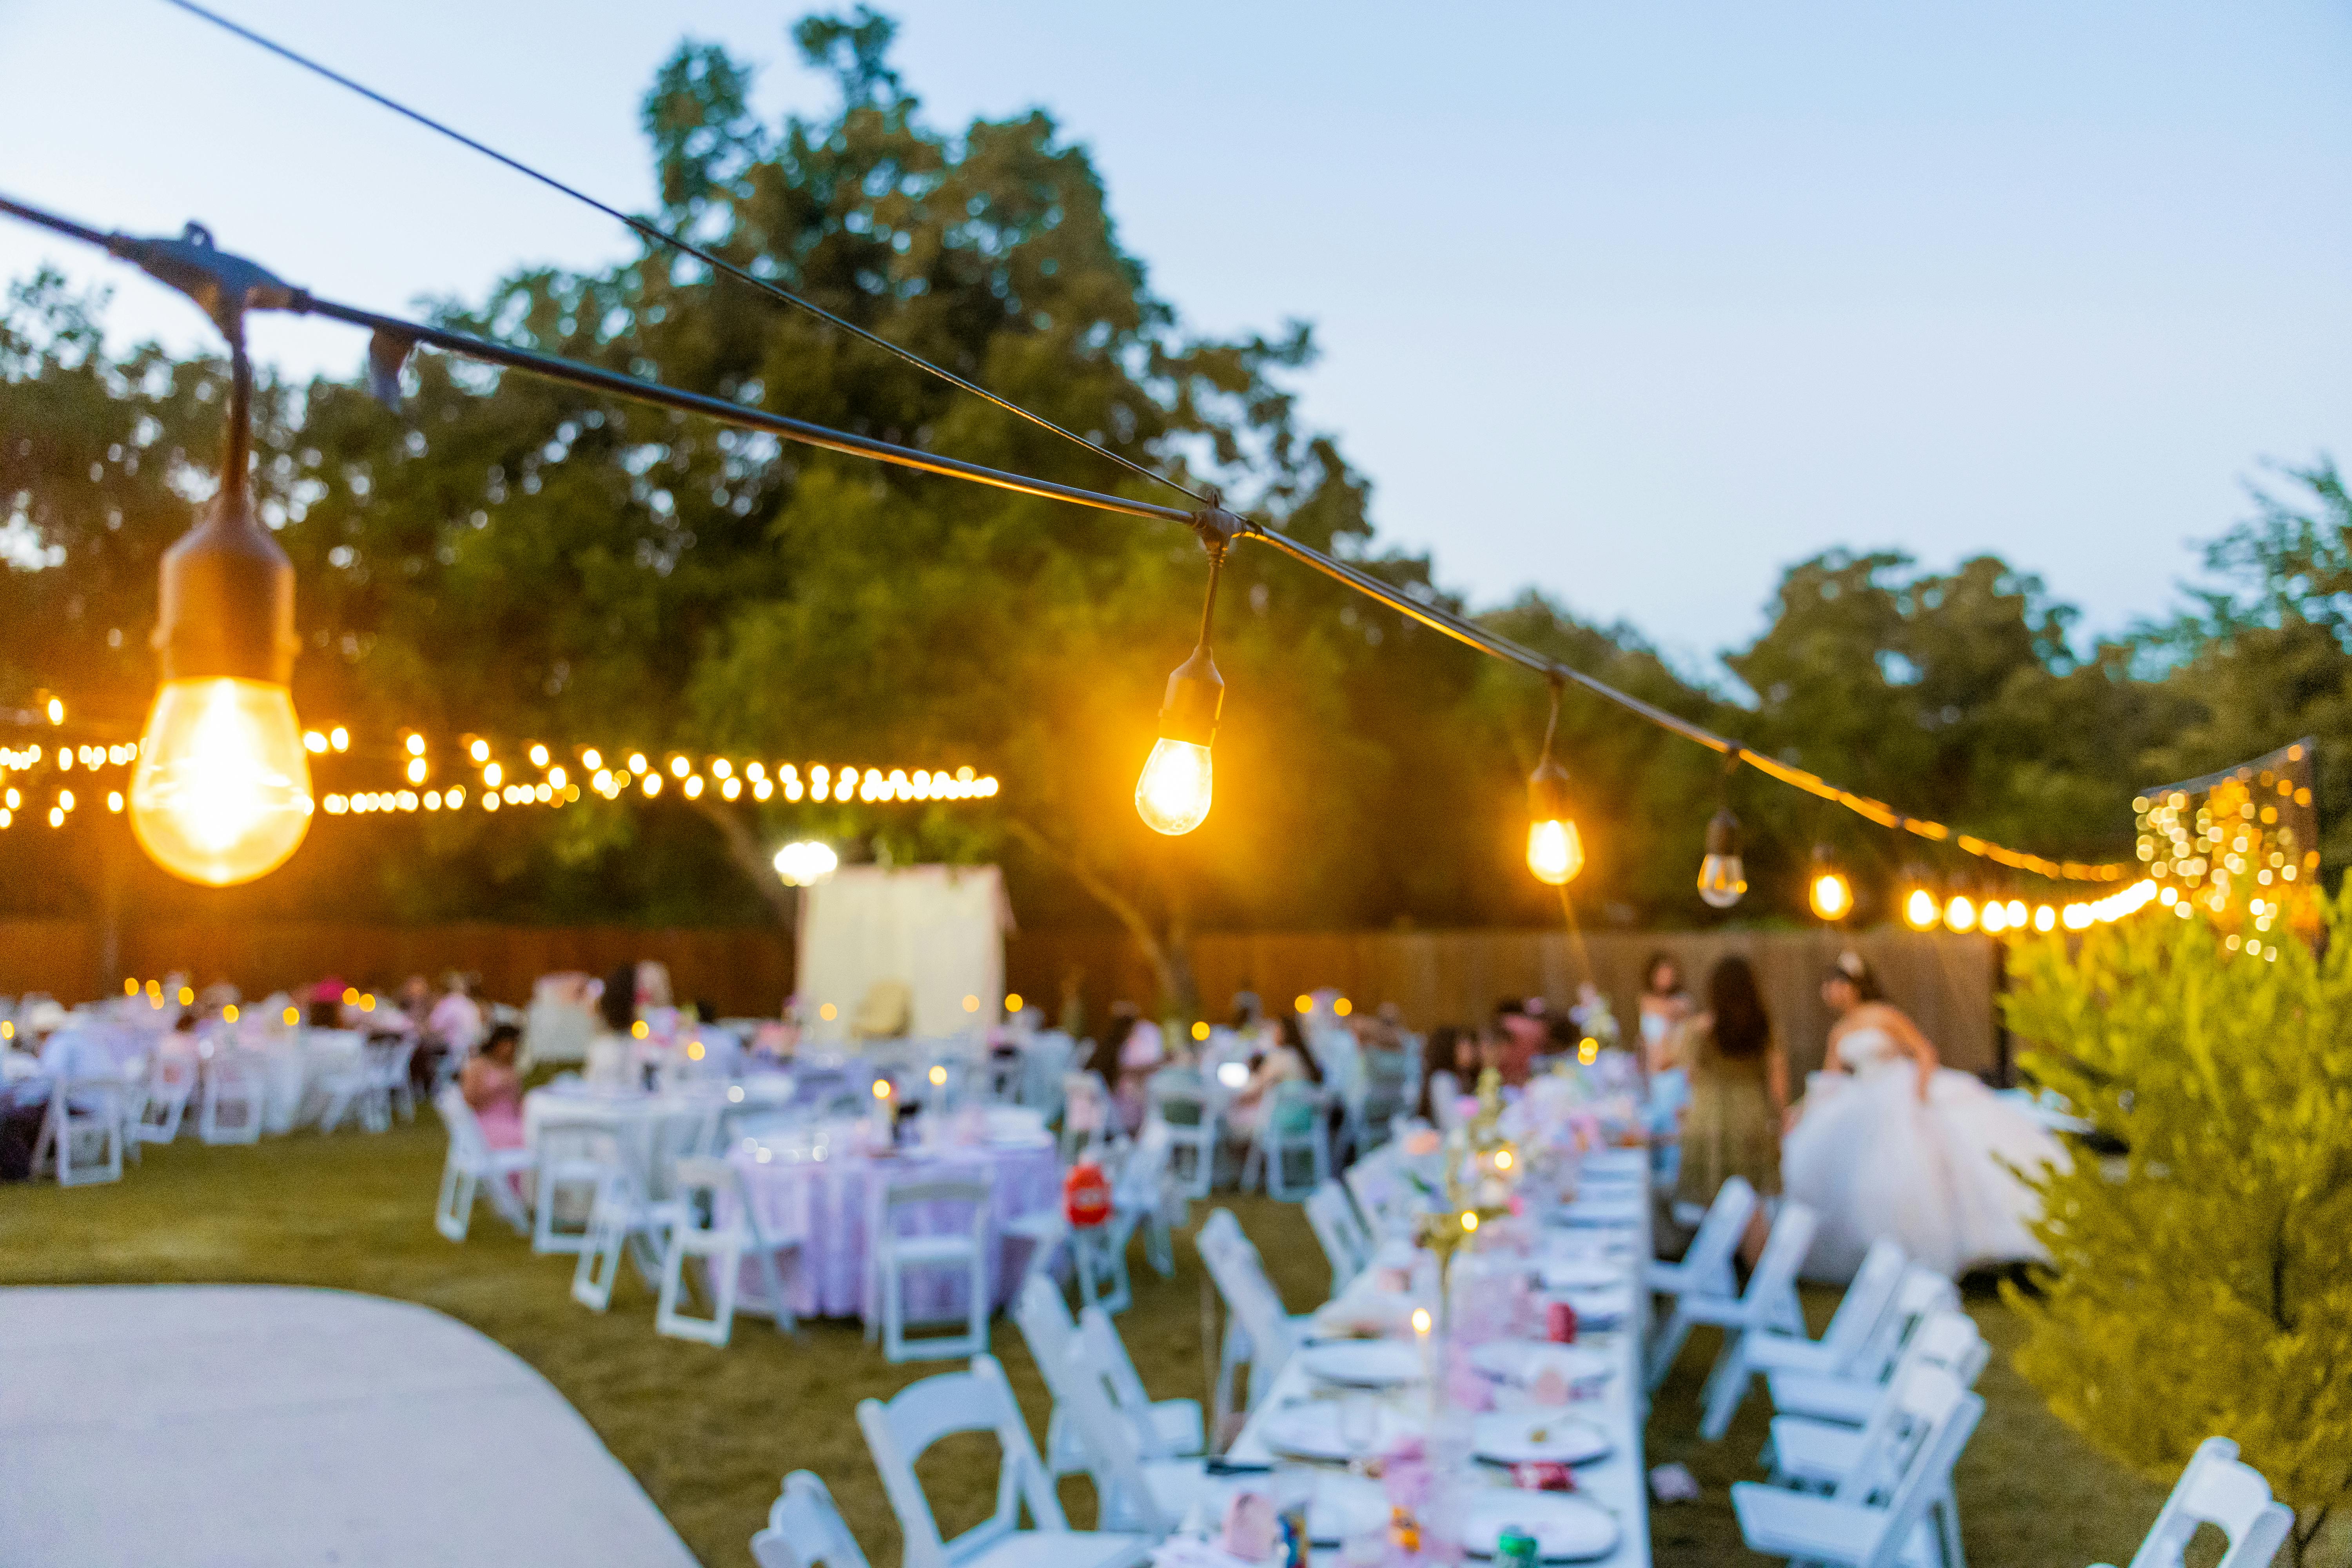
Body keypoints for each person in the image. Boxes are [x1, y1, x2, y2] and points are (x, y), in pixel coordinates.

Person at [1781, 950, 2066, 1281]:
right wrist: (1799, 1111)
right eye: (1828, 986)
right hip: (1864, 1099)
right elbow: (1829, 1082)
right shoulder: (1840, 1031)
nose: (1832, 992)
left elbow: (1924, 1052)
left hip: (1900, 1088)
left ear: (1855, 986)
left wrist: (1917, 1096)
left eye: (1838, 984)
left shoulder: (1884, 1016)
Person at [1671, 956, 1788, 1263]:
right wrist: (1781, 1121)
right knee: (1752, 1205)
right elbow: (1777, 1084)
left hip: (1710, 1119)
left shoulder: (1699, 1029)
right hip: (1752, 1116)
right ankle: (1758, 1273)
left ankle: (1719, 1275)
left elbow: (1689, 1075)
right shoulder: (1763, 1029)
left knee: (1715, 1202)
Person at [1227, 1013, 1324, 1140]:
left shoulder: (1280, 1057)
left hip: (1282, 1120)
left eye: (1275, 1030)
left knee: (1231, 1118)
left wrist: (1234, 1099)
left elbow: (1258, 1087)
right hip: (1306, 1120)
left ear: (1282, 1034)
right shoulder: (1301, 1057)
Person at [461, 1023, 526, 1150]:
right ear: (499, 1045)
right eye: (511, 1046)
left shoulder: (510, 1067)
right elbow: (470, 1099)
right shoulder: (478, 1065)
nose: (514, 1051)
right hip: (486, 1120)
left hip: (512, 1118)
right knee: (522, 1140)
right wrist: (497, 1087)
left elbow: (517, 1100)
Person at [1637, 952, 1693, 1075]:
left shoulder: (1682, 1000)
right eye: (1662, 974)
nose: (1666, 978)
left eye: (1669, 974)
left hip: (1676, 1070)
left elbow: (1676, 1012)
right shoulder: (1646, 1000)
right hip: (1652, 1070)